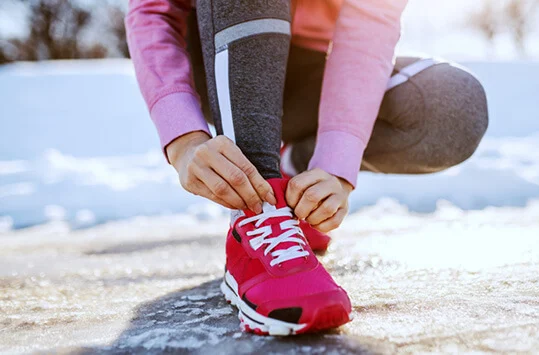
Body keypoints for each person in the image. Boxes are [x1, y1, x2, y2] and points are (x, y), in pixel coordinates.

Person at [125, 0, 488, 335]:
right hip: (219, 51)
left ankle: (293, 178)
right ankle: (258, 217)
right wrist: (183, 137)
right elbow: (153, 10)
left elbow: (370, 21)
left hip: (312, 69)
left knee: (452, 105)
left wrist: (335, 167)